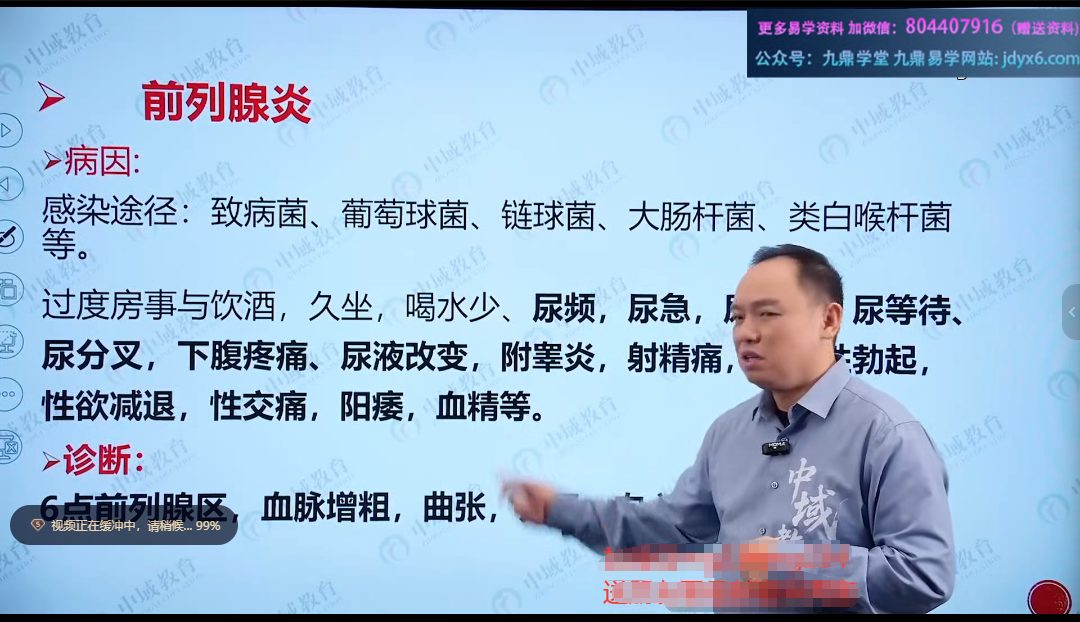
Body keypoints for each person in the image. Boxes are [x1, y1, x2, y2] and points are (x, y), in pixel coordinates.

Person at [501, 244, 955, 614]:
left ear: (829, 320)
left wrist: (795, 565)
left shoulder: (886, 433)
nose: (745, 333)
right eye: (738, 317)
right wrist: (560, 510)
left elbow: (923, 574)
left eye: (767, 314)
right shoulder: (728, 434)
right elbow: (672, 531)